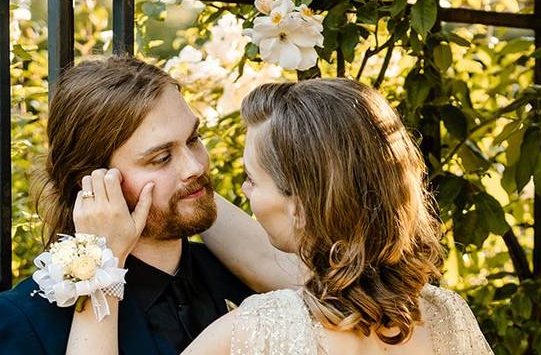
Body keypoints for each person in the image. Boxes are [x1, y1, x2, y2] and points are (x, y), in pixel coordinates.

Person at [66, 77, 494, 355]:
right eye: (161, 156)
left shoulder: (257, 329)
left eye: (252, 179)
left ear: (301, 205)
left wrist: (99, 261)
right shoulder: (449, 316)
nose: (241, 190)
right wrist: (181, 191)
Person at [0, 56, 290, 355]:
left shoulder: (242, 269)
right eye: (161, 158)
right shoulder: (26, 320)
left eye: (194, 138)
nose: (195, 166)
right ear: (95, 182)